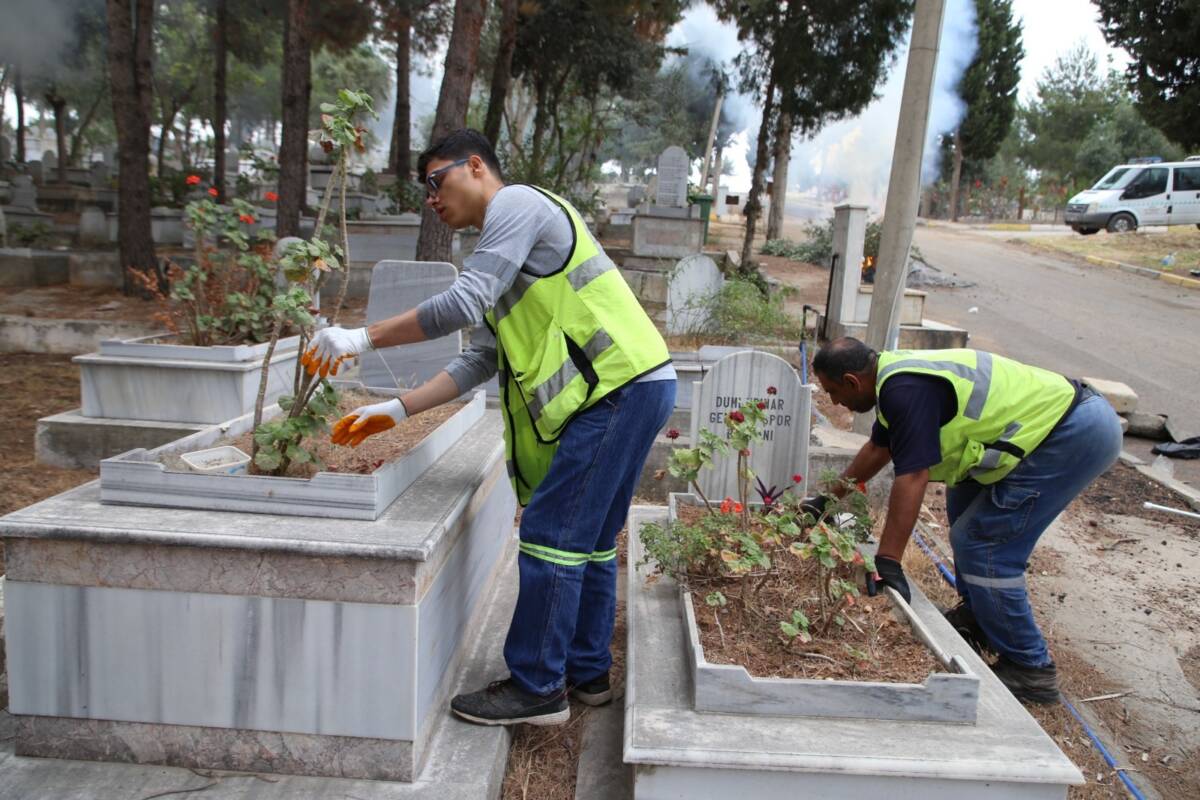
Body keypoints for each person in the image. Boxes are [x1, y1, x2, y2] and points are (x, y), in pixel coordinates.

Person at [302, 129, 676, 726]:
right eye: (423, 188)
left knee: (552, 534)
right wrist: (398, 410)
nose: (430, 198)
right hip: (632, 386)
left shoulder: (517, 205)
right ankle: (586, 672)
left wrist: (361, 337)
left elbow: (460, 303)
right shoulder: (501, 250)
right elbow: (482, 358)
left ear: (475, 167)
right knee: (592, 540)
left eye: (435, 180)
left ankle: (537, 686)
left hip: (617, 388)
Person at [806, 337, 1121, 703]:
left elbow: (912, 476)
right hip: (1060, 423)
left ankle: (1029, 668)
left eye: (833, 392)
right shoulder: (893, 377)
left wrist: (889, 561)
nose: (834, 403)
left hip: (1072, 432)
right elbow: (879, 448)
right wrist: (823, 502)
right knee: (963, 512)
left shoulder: (904, 390)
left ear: (852, 381)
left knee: (984, 543)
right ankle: (982, 620)